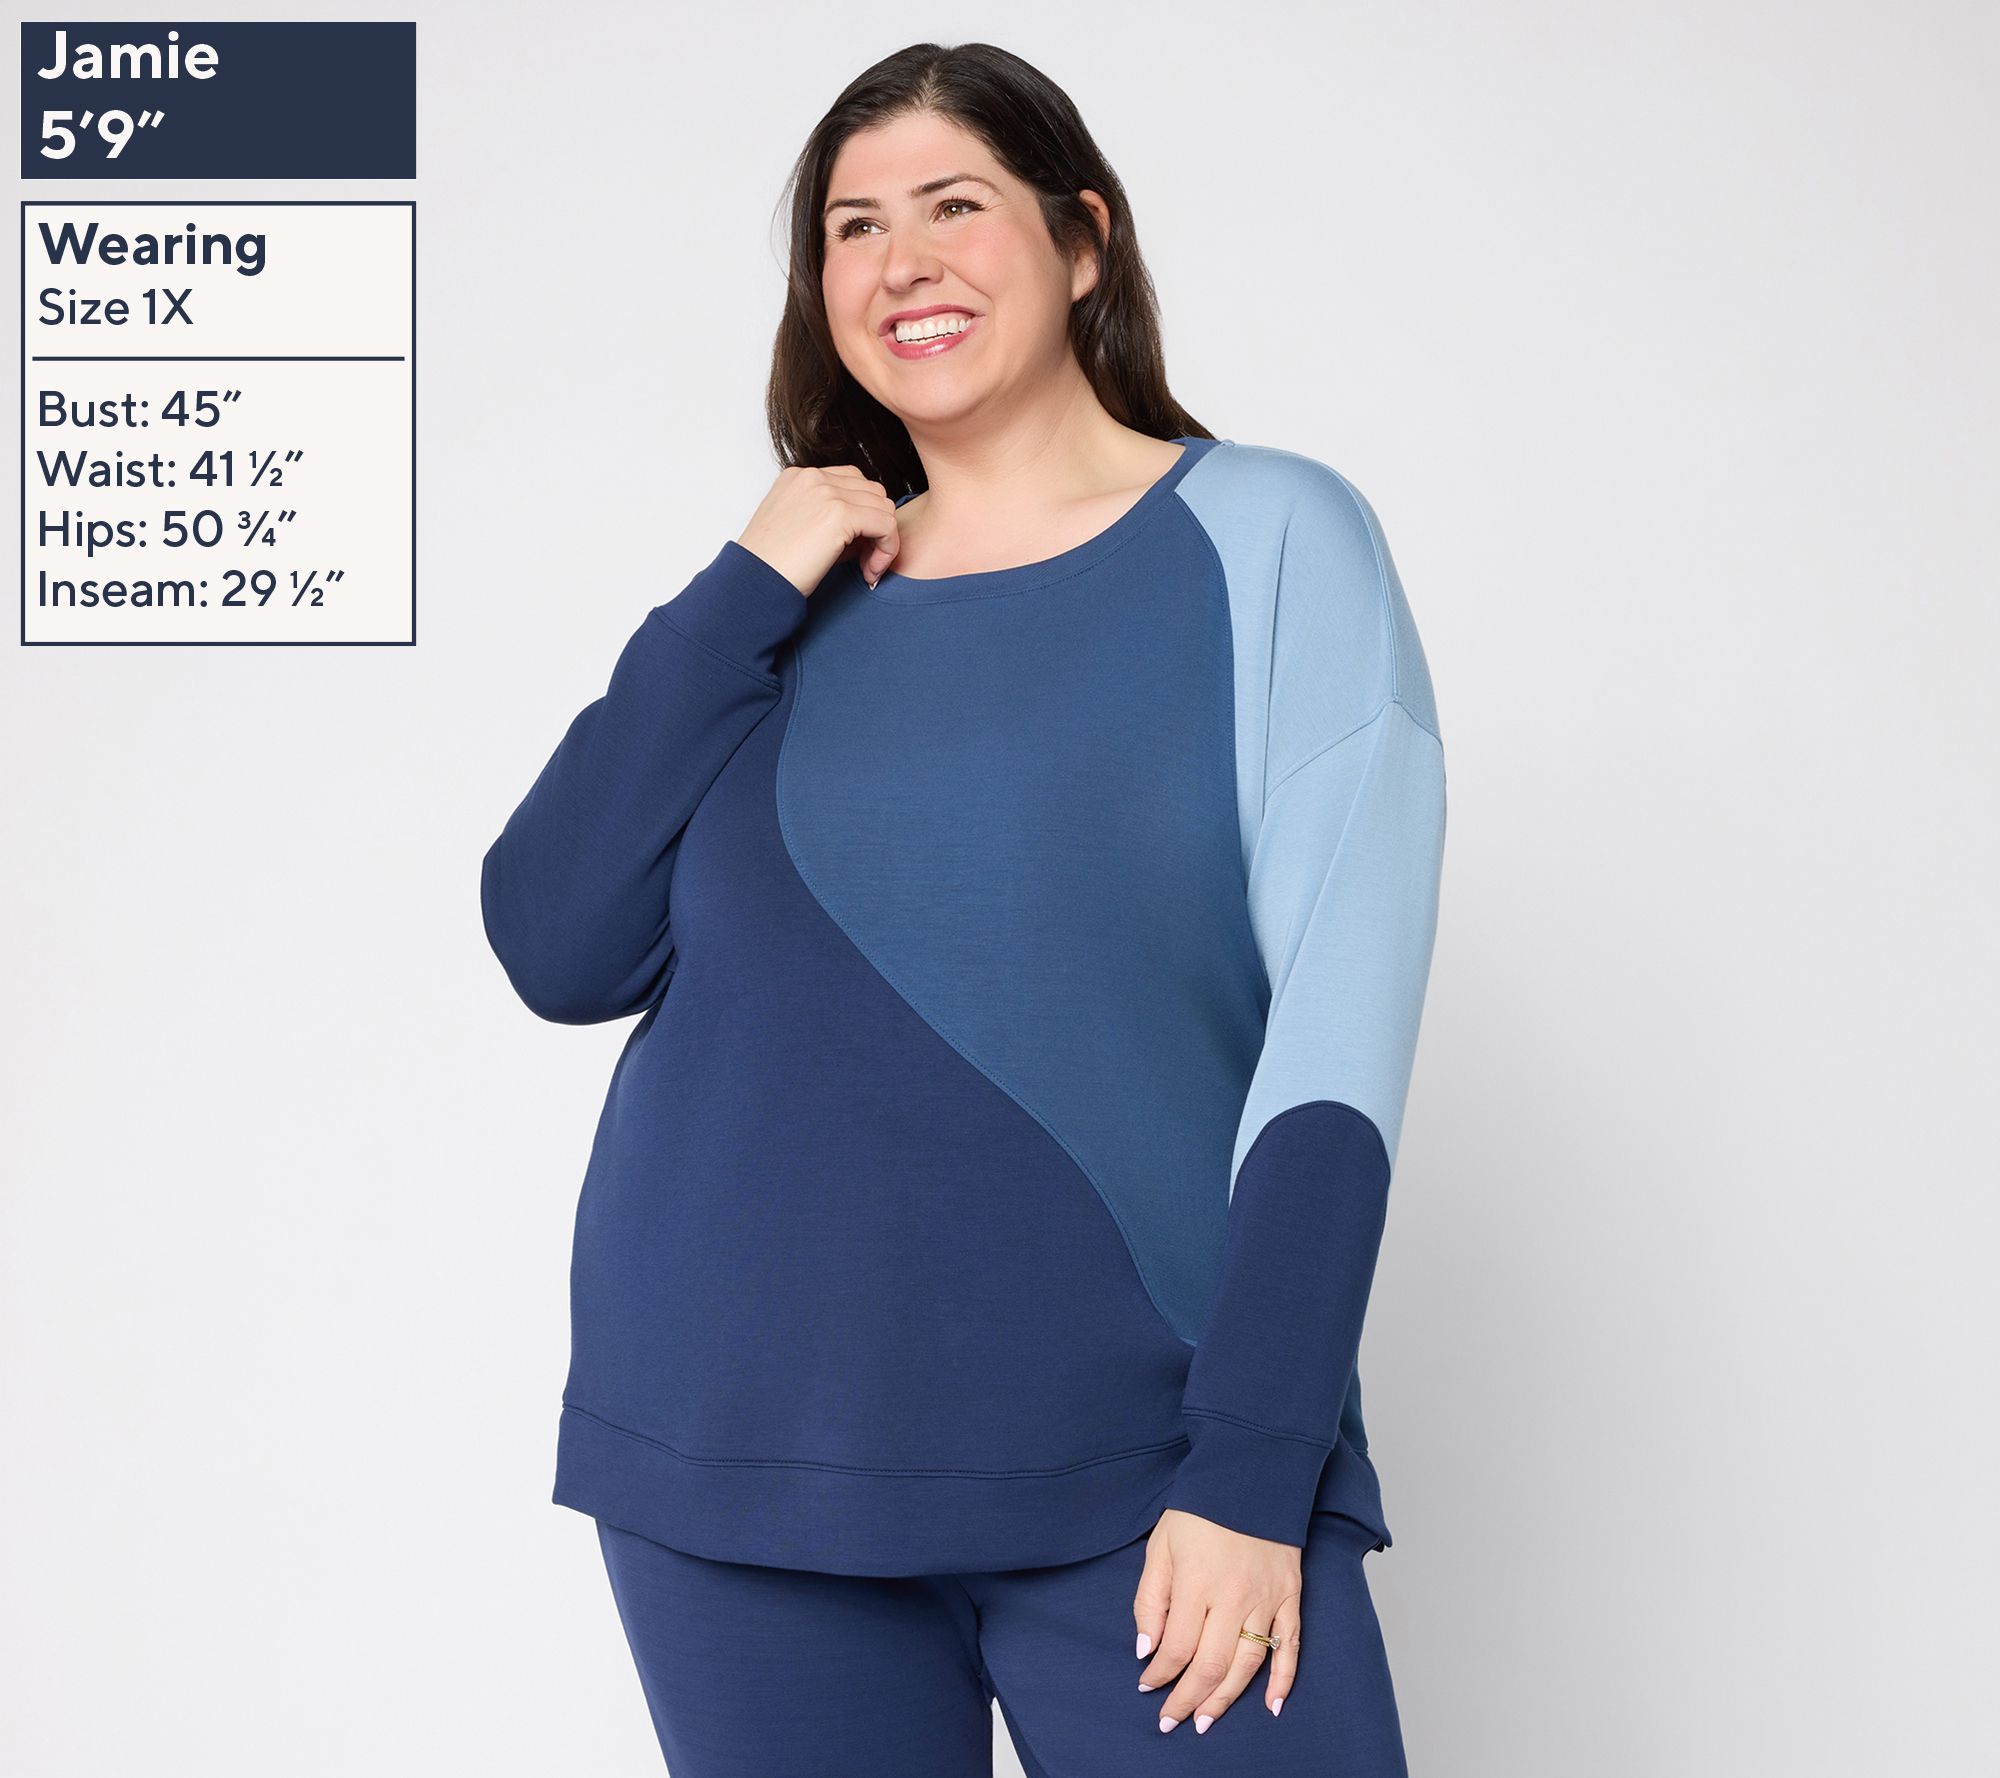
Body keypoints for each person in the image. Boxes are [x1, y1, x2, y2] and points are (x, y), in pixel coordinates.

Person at [479, 39, 1446, 1777]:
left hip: (1157, 1467)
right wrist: (742, 583)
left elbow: (1336, 1043)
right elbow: (556, 940)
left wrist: (1254, 1466)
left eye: (952, 205)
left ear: (1082, 240)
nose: (900, 261)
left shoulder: (1273, 537)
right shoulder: (784, 607)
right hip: (739, 1461)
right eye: (853, 227)